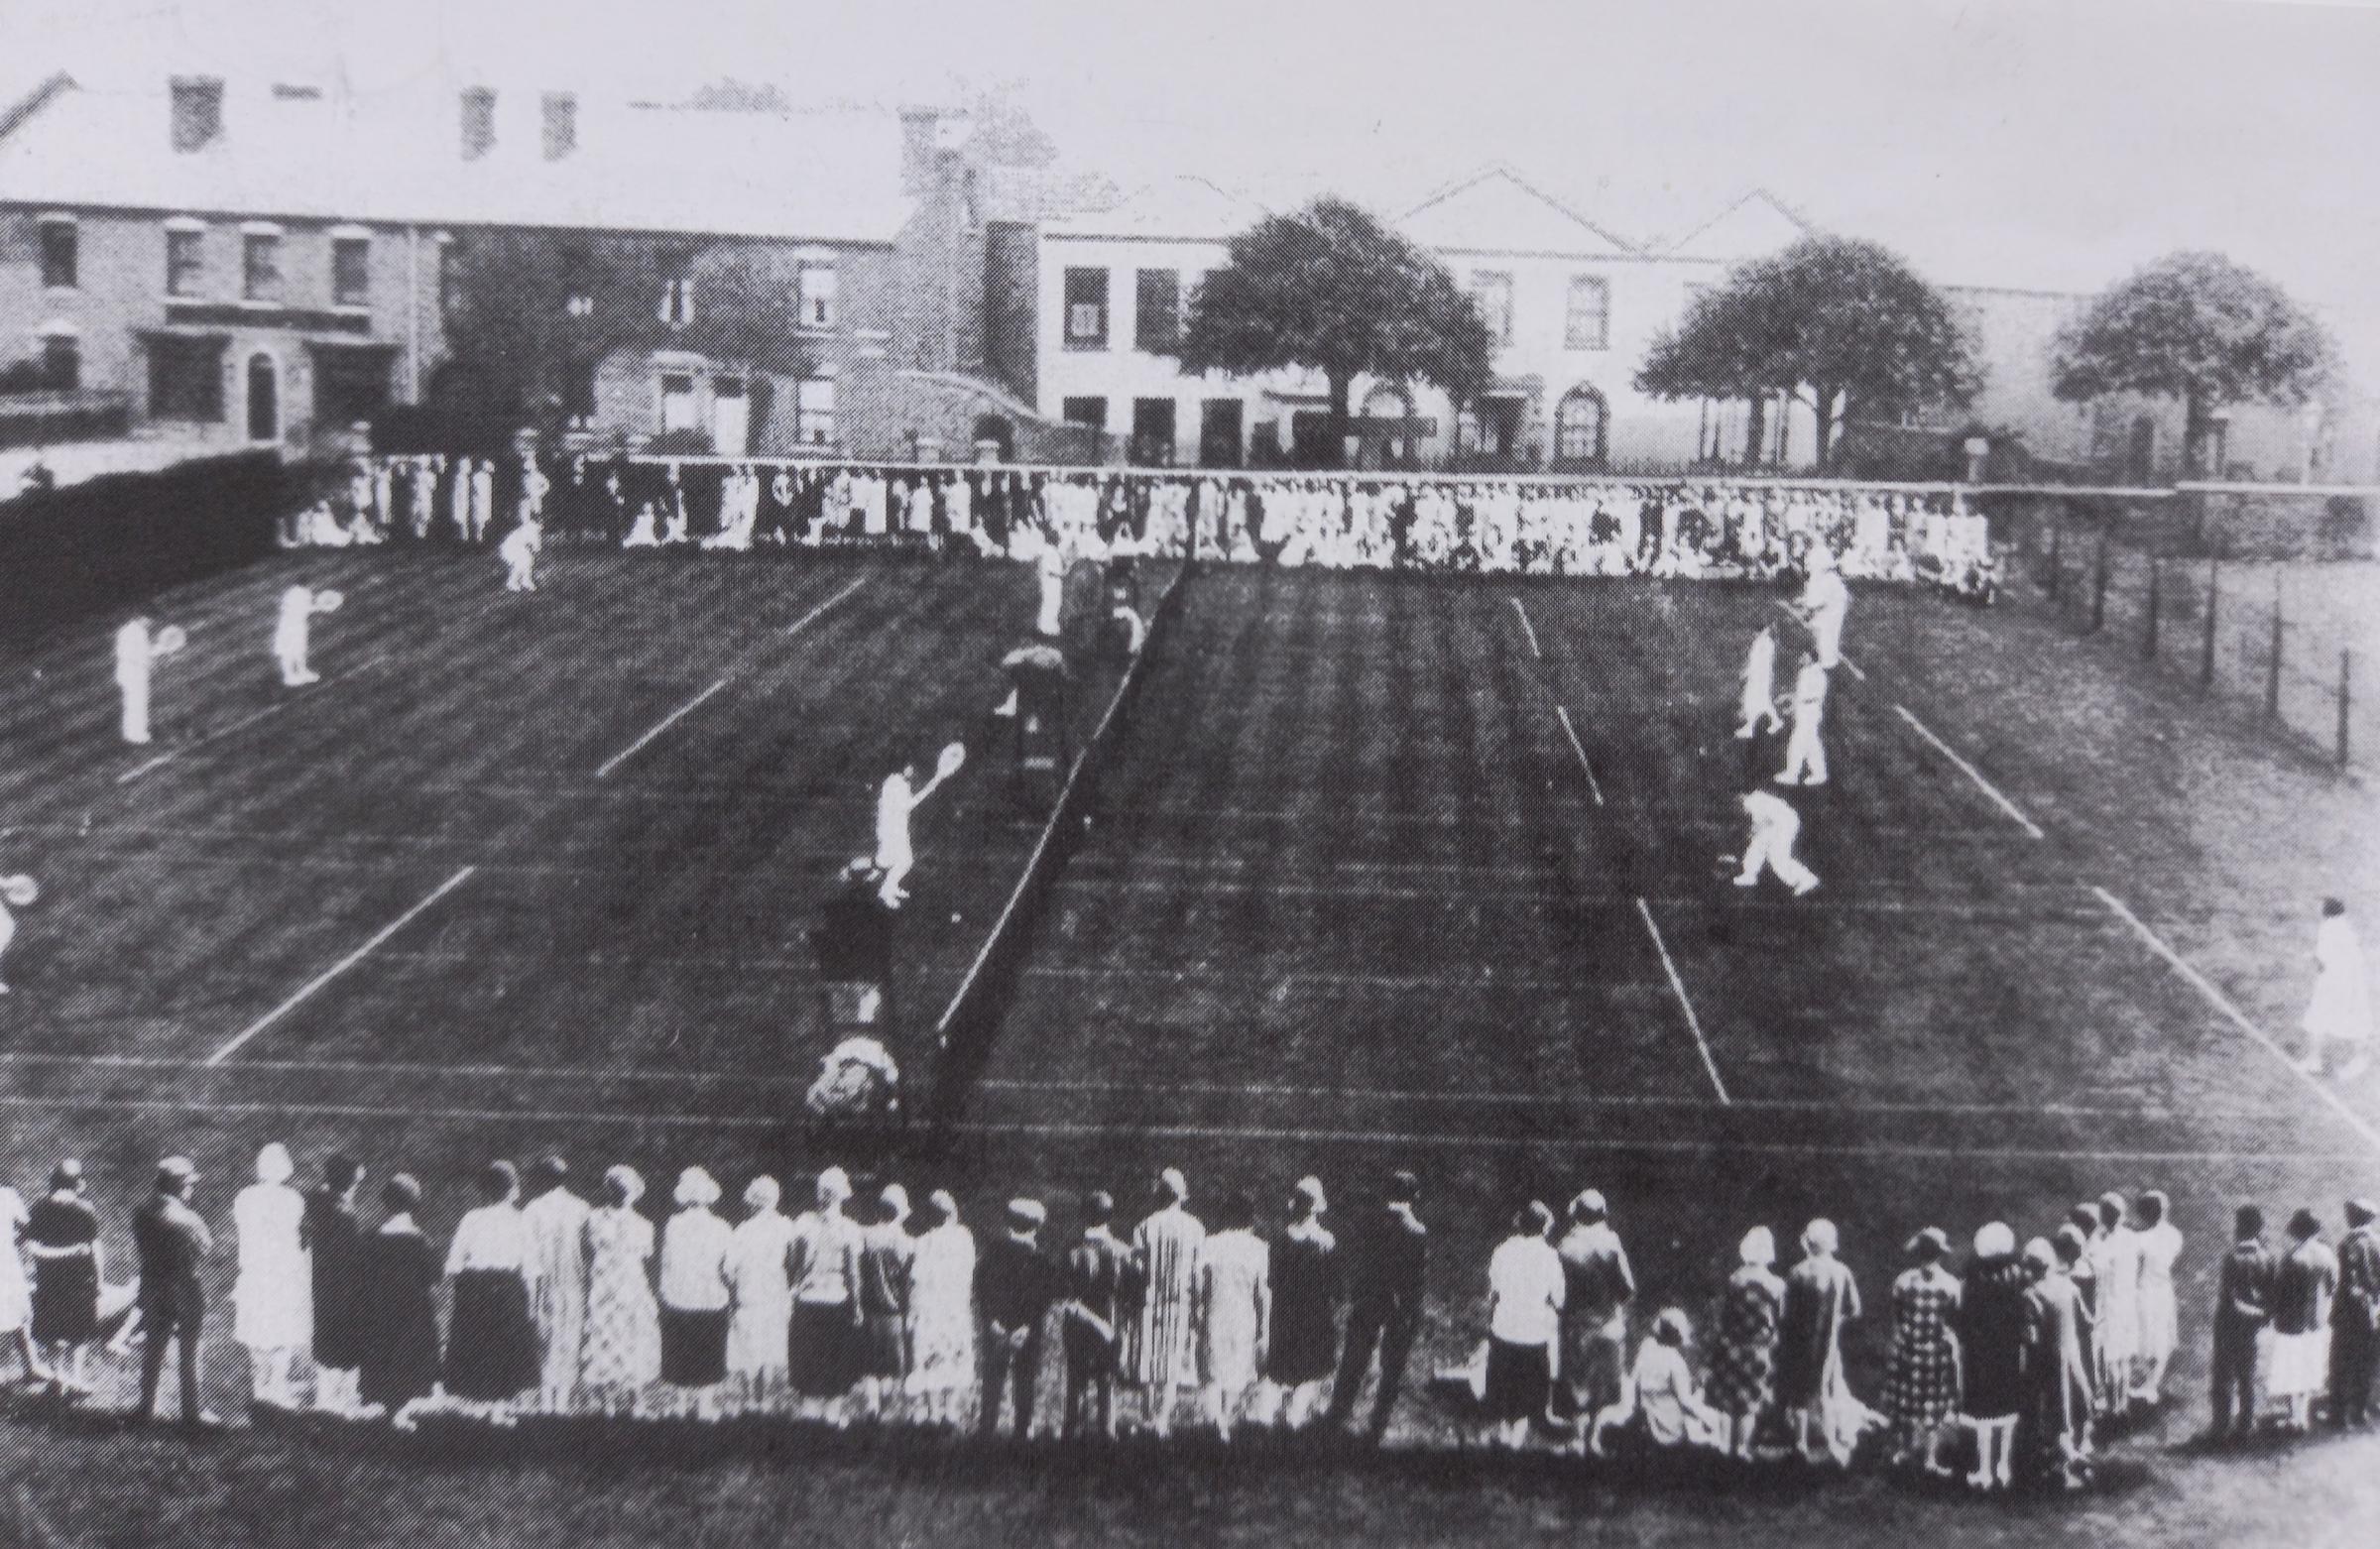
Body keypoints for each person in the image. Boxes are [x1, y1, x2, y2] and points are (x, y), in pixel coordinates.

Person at [1326, 1168, 1428, 1442]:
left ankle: (1336, 1416)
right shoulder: (1417, 1230)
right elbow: (1414, 1277)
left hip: (1369, 1296)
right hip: (1398, 1304)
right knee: (1391, 1367)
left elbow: (1361, 1259)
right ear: (1414, 1196)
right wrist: (1411, 1310)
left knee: (1353, 1359)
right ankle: (1377, 1425)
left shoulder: (1370, 1221)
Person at [443, 1160, 537, 1413]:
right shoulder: (520, 1221)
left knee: (481, 1348)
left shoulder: (472, 1219)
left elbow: (454, 1266)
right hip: (504, 1291)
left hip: (478, 1290)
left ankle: (483, 1410)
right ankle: (496, 1410)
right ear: (512, 1188)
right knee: (500, 1348)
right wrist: (531, 1306)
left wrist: (462, 1296)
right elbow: (530, 1269)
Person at [131, 1156, 216, 1428]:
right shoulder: (188, 1219)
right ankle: (191, 1412)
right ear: (179, 1187)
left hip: (154, 1285)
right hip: (186, 1286)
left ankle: (145, 1407)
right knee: (190, 1350)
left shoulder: (141, 1212)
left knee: (154, 1346)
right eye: (189, 1184)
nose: (192, 1189)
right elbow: (206, 1249)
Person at [1776, 1218, 1864, 1467]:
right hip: (1829, 1343)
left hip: (1800, 1342)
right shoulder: (1842, 1271)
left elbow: (1786, 1313)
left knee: (1800, 1393)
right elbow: (1854, 1309)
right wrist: (1835, 1320)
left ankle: (1801, 1444)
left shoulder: (1797, 1272)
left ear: (1808, 1242)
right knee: (1827, 1390)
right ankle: (1832, 1445)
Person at [231, 1142, 311, 1410]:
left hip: (255, 1274)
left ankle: (260, 1388)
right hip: (281, 1275)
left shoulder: (244, 1197)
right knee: (283, 1331)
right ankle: (276, 1388)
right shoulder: (293, 1199)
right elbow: (296, 1238)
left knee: (257, 1331)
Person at [355, 1175, 441, 1421]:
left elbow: (362, 1276)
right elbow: (434, 1277)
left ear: (386, 1203)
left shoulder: (371, 1239)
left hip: (379, 1312)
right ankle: (404, 1412)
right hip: (414, 1314)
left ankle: (379, 1408)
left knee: (381, 1356)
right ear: (415, 1204)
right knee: (411, 1357)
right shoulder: (422, 1241)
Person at [1128, 1166, 1205, 1438]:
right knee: (1172, 1362)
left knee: (1147, 1360)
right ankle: (1162, 1420)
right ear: (1181, 1196)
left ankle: (1148, 1418)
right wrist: (1198, 1307)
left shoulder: (1144, 1227)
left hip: (1149, 1301)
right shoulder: (1195, 1228)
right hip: (1180, 1301)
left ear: (1159, 1194)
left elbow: (1136, 1270)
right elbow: (1197, 1273)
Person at [579, 1165, 661, 1417]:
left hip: (630, 1286)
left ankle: (634, 1399)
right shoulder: (593, 1219)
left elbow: (645, 1255)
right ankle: (608, 1402)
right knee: (606, 1337)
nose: (621, 1193)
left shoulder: (643, 1225)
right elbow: (590, 1249)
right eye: (618, 1188)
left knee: (631, 1338)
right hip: (605, 1286)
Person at [1482, 1201, 1564, 1450]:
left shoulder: (1503, 1250)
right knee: (1528, 1384)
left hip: (1505, 1328)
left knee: (1505, 1381)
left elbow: (1492, 1293)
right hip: (1533, 1334)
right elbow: (1559, 1299)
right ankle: (1515, 1435)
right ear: (1545, 1228)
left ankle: (1506, 1431)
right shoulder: (1550, 1256)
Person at [1590, 1307, 1726, 1457]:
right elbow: (1685, 1402)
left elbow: (1635, 1387)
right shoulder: (1675, 1362)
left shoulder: (1645, 1355)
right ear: (1678, 1333)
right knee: (1715, 1418)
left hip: (1647, 1423)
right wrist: (1707, 1418)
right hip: (1670, 1428)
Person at [1883, 1226, 1963, 1476]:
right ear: (1940, 1254)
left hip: (1908, 1347)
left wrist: (1902, 1336)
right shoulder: (1951, 1285)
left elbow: (1897, 1315)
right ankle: (1929, 1458)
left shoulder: (1904, 1281)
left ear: (1918, 1253)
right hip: (1936, 1349)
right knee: (1933, 1403)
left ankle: (1905, 1450)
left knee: (1906, 1399)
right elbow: (1954, 1317)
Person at [787, 1166, 865, 1422]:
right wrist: (856, 1306)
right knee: (834, 1363)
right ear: (842, 1196)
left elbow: (793, 1264)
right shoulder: (850, 1229)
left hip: (808, 1302)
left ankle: (810, 1418)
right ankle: (831, 1419)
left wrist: (796, 1287)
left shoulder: (803, 1223)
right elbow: (853, 1273)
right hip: (836, 1301)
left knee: (809, 1363)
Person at [1958, 1222, 2031, 1490]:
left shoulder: (1973, 1284)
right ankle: (2004, 1467)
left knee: (1984, 1412)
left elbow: (1963, 1321)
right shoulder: (2017, 1280)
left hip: (1980, 1356)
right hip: (2008, 1353)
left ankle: (1984, 1470)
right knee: (2006, 1408)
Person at [975, 1198, 1057, 1438]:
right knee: (1025, 1378)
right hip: (1027, 1329)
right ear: (1037, 1226)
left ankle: (986, 1428)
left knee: (992, 1378)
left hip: (997, 1327)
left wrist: (992, 1320)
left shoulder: (992, 1253)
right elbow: (1043, 1298)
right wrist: (1027, 1326)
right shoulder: (1041, 1260)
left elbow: (982, 1288)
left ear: (1010, 1222)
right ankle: (1022, 1429)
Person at [1553, 1188, 1635, 1425]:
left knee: (1577, 1387)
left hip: (1575, 1329)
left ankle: (1578, 1439)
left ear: (1576, 1215)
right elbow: (1627, 1288)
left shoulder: (1564, 1247)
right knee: (1603, 1389)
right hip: (1608, 1325)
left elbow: (1559, 1294)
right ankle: (1595, 1438)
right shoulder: (1611, 1243)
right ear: (1603, 1215)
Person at [1193, 1191, 1270, 1441]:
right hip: (1244, 1316)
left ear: (1225, 1217)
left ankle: (1217, 1421)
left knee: (1213, 1370)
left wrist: (1197, 1313)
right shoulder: (1259, 1248)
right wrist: (1263, 1328)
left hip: (1215, 1313)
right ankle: (1225, 1418)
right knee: (1237, 1371)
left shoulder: (1210, 1244)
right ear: (1250, 1219)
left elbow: (1198, 1285)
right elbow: (1263, 1293)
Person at [1262, 1177, 1339, 1431]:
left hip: (1285, 1314)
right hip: (1314, 1315)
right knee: (1310, 1370)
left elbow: (1272, 1280)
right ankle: (1295, 1418)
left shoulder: (1281, 1239)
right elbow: (1334, 1286)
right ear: (1317, 1207)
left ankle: (1266, 1418)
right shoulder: (1326, 1241)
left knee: (1281, 1369)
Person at [519, 1154, 591, 1415]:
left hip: (544, 1284)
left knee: (545, 1340)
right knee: (569, 1339)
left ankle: (549, 1402)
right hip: (574, 1284)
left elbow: (529, 1257)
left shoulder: (532, 1210)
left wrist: (531, 1296)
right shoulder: (582, 1208)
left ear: (541, 1179)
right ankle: (560, 1402)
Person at [656, 1166, 733, 1416]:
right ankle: (704, 1406)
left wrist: (665, 1292)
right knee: (708, 1350)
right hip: (711, 1295)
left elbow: (667, 1262)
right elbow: (728, 1267)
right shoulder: (722, 1226)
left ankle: (679, 1405)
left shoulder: (673, 1224)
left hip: (680, 1295)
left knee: (680, 1349)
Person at [1709, 1225, 1786, 1461]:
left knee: (1727, 1398)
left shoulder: (1735, 1280)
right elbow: (1781, 1318)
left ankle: (1723, 1445)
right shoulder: (1776, 1285)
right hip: (1759, 1348)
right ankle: (1742, 1447)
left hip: (1732, 1345)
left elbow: (1723, 1315)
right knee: (1749, 1399)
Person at [22, 1160, 99, 1397]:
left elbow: (33, 1248)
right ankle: (75, 1378)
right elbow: (93, 1249)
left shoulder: (38, 1208)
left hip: (49, 1281)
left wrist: (53, 1257)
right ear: (79, 1184)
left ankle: (57, 1376)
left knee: (53, 1330)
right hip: (79, 1281)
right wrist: (99, 1280)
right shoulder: (85, 1209)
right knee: (81, 1331)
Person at [1059, 1191, 1131, 1439]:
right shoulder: (1122, 1251)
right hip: (1109, 1323)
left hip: (1077, 1323)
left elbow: (1063, 1292)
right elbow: (1130, 1292)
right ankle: (1107, 1433)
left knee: (1076, 1379)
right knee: (1106, 1379)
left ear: (1083, 1216)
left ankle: (1071, 1433)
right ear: (1110, 1217)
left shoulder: (1071, 1249)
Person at [2025, 1233, 2094, 1489]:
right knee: (2080, 1404)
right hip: (2073, 1355)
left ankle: (2066, 1464)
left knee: (2057, 1412)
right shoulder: (2069, 1286)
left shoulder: (2032, 1294)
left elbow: (2031, 1338)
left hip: (2050, 1361)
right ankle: (2082, 1449)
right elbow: (2087, 1323)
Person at [903, 1189, 977, 1428]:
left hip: (931, 1309)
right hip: (955, 1307)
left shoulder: (923, 1242)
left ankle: (933, 1412)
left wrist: (912, 1312)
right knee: (953, 1357)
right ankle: (950, 1410)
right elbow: (968, 1272)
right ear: (953, 1213)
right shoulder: (964, 1238)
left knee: (931, 1358)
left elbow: (915, 1281)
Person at [302, 1153, 368, 1416]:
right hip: (344, 1288)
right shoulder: (345, 1215)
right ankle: (342, 1401)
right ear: (349, 1184)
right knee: (345, 1343)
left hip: (321, 1283)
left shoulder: (316, 1203)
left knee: (324, 1338)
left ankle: (325, 1397)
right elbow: (353, 1258)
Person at [724, 1175, 795, 1412]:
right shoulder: (787, 1227)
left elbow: (728, 1269)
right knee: (769, 1347)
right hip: (774, 1292)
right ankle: (764, 1401)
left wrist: (733, 1291)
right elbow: (794, 1263)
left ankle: (750, 1401)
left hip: (749, 1293)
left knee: (748, 1348)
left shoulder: (743, 1230)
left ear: (753, 1201)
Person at [2205, 1204, 2275, 1443]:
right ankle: (2246, 1423)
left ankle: (2221, 1424)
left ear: (2239, 1228)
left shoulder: (2232, 1258)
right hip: (2252, 1328)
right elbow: (2271, 1297)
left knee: (2223, 1375)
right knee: (2247, 1375)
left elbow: (2229, 1298)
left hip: (2228, 1325)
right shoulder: (2267, 1257)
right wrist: (2261, 1316)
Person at [2270, 1207, 2337, 1433]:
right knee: (2308, 1367)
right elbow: (2332, 1286)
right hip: (2316, 1321)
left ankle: (2294, 1417)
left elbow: (2279, 1292)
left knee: (2291, 1368)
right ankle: (2302, 1416)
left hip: (2291, 1323)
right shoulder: (2327, 1255)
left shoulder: (2291, 1258)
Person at [856, 1183, 915, 1421]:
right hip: (894, 1310)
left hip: (869, 1307)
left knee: (870, 1362)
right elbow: (908, 1281)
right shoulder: (906, 1241)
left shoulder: (865, 1235)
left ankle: (871, 1405)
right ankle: (884, 1408)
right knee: (890, 1364)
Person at [874, 752, 960, 908]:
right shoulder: (896, 783)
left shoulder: (897, 781)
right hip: (891, 830)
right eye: (910, 768)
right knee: (904, 862)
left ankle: (891, 887)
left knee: (897, 861)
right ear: (904, 767)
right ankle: (885, 891)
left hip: (896, 828)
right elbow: (907, 806)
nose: (912, 771)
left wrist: (930, 787)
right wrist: (928, 790)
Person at [2300, 898, 2372, 1079]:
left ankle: (2314, 1061)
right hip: (2352, 983)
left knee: (2317, 1019)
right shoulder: (2345, 928)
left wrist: (2312, 958)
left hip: (2333, 983)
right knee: (2354, 1022)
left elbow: (2322, 964)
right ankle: (2358, 1059)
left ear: (2326, 913)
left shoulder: (2327, 929)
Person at [2090, 1193, 2142, 1418]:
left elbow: (2097, 1268)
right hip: (2128, 1303)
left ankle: (2113, 1406)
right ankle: (2121, 1404)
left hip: (2111, 1304)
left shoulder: (2104, 1243)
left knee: (2111, 1357)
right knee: (2123, 1358)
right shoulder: (2131, 1238)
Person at [2131, 1189, 2184, 1407]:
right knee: (2159, 1337)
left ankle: (2146, 1384)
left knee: (2146, 1336)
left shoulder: (2138, 1239)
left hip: (2145, 1291)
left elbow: (2136, 1269)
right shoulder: (2174, 1235)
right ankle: (2149, 1384)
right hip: (2163, 1290)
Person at [2331, 1197, 2380, 1428]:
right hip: (2373, 1312)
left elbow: (2349, 1284)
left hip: (2349, 1314)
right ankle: (2359, 1411)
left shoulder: (2348, 1245)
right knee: (2365, 1362)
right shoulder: (2377, 1243)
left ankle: (2339, 1415)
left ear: (2353, 1218)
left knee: (2341, 1363)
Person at [1735, 787, 1820, 895]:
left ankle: (1807, 879)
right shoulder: (1757, 798)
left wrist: (1752, 833)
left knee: (1777, 857)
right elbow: (1761, 825)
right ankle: (1749, 875)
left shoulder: (1752, 802)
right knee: (1758, 846)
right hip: (1779, 823)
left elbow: (1759, 824)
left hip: (1783, 825)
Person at [0, 1175, 38, 1386]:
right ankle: (30, 1366)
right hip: (6, 1263)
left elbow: (27, 1228)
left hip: (6, 1265)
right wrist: (13, 1243)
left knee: (22, 1314)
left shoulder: (7, 1195)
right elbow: (27, 1228)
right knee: (21, 1315)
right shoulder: (8, 1195)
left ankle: (31, 1367)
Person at [1775, 651, 1831, 788]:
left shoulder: (1819, 675)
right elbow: (1800, 694)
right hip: (1804, 711)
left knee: (1798, 742)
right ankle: (1819, 773)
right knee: (1811, 744)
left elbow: (1810, 697)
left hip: (1810, 713)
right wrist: (1787, 698)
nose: (1801, 658)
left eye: (1804, 656)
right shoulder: (1805, 672)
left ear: (1811, 658)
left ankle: (1792, 774)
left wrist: (1793, 705)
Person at [1795, 542, 1850, 669]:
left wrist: (1806, 611)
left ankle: (1825, 670)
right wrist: (1804, 602)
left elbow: (1815, 603)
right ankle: (1820, 661)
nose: (1808, 564)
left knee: (1826, 642)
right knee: (1822, 638)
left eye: (1810, 561)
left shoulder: (1824, 579)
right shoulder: (1829, 578)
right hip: (1829, 613)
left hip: (1829, 616)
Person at [115, 616, 165, 745]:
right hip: (134, 673)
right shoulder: (138, 632)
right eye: (149, 620)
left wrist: (157, 650)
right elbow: (138, 655)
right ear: (143, 618)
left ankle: (132, 733)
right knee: (137, 704)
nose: (150, 623)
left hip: (129, 672)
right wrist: (150, 659)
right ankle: (136, 735)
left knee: (134, 704)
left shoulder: (128, 630)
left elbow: (142, 652)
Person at [1735, 625, 1783, 741]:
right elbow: (1753, 661)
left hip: (1760, 678)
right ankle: (1752, 726)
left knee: (1758, 701)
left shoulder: (1766, 643)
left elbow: (1761, 663)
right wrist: (1747, 672)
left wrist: (1750, 673)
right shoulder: (1759, 643)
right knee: (1758, 702)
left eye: (1758, 632)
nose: (1755, 634)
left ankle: (1772, 722)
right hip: (1757, 677)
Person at [273, 584, 322, 687]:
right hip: (291, 626)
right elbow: (302, 609)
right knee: (289, 651)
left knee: (299, 649)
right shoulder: (302, 593)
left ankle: (301, 672)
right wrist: (320, 607)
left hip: (294, 624)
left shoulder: (293, 592)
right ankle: (289, 676)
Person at [500, 514, 542, 592]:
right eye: (540, 521)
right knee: (522, 562)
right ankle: (512, 583)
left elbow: (534, 547)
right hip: (511, 548)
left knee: (528, 561)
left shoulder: (533, 529)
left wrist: (534, 550)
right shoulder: (531, 529)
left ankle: (526, 581)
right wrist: (535, 550)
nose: (542, 523)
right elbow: (532, 545)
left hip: (518, 548)